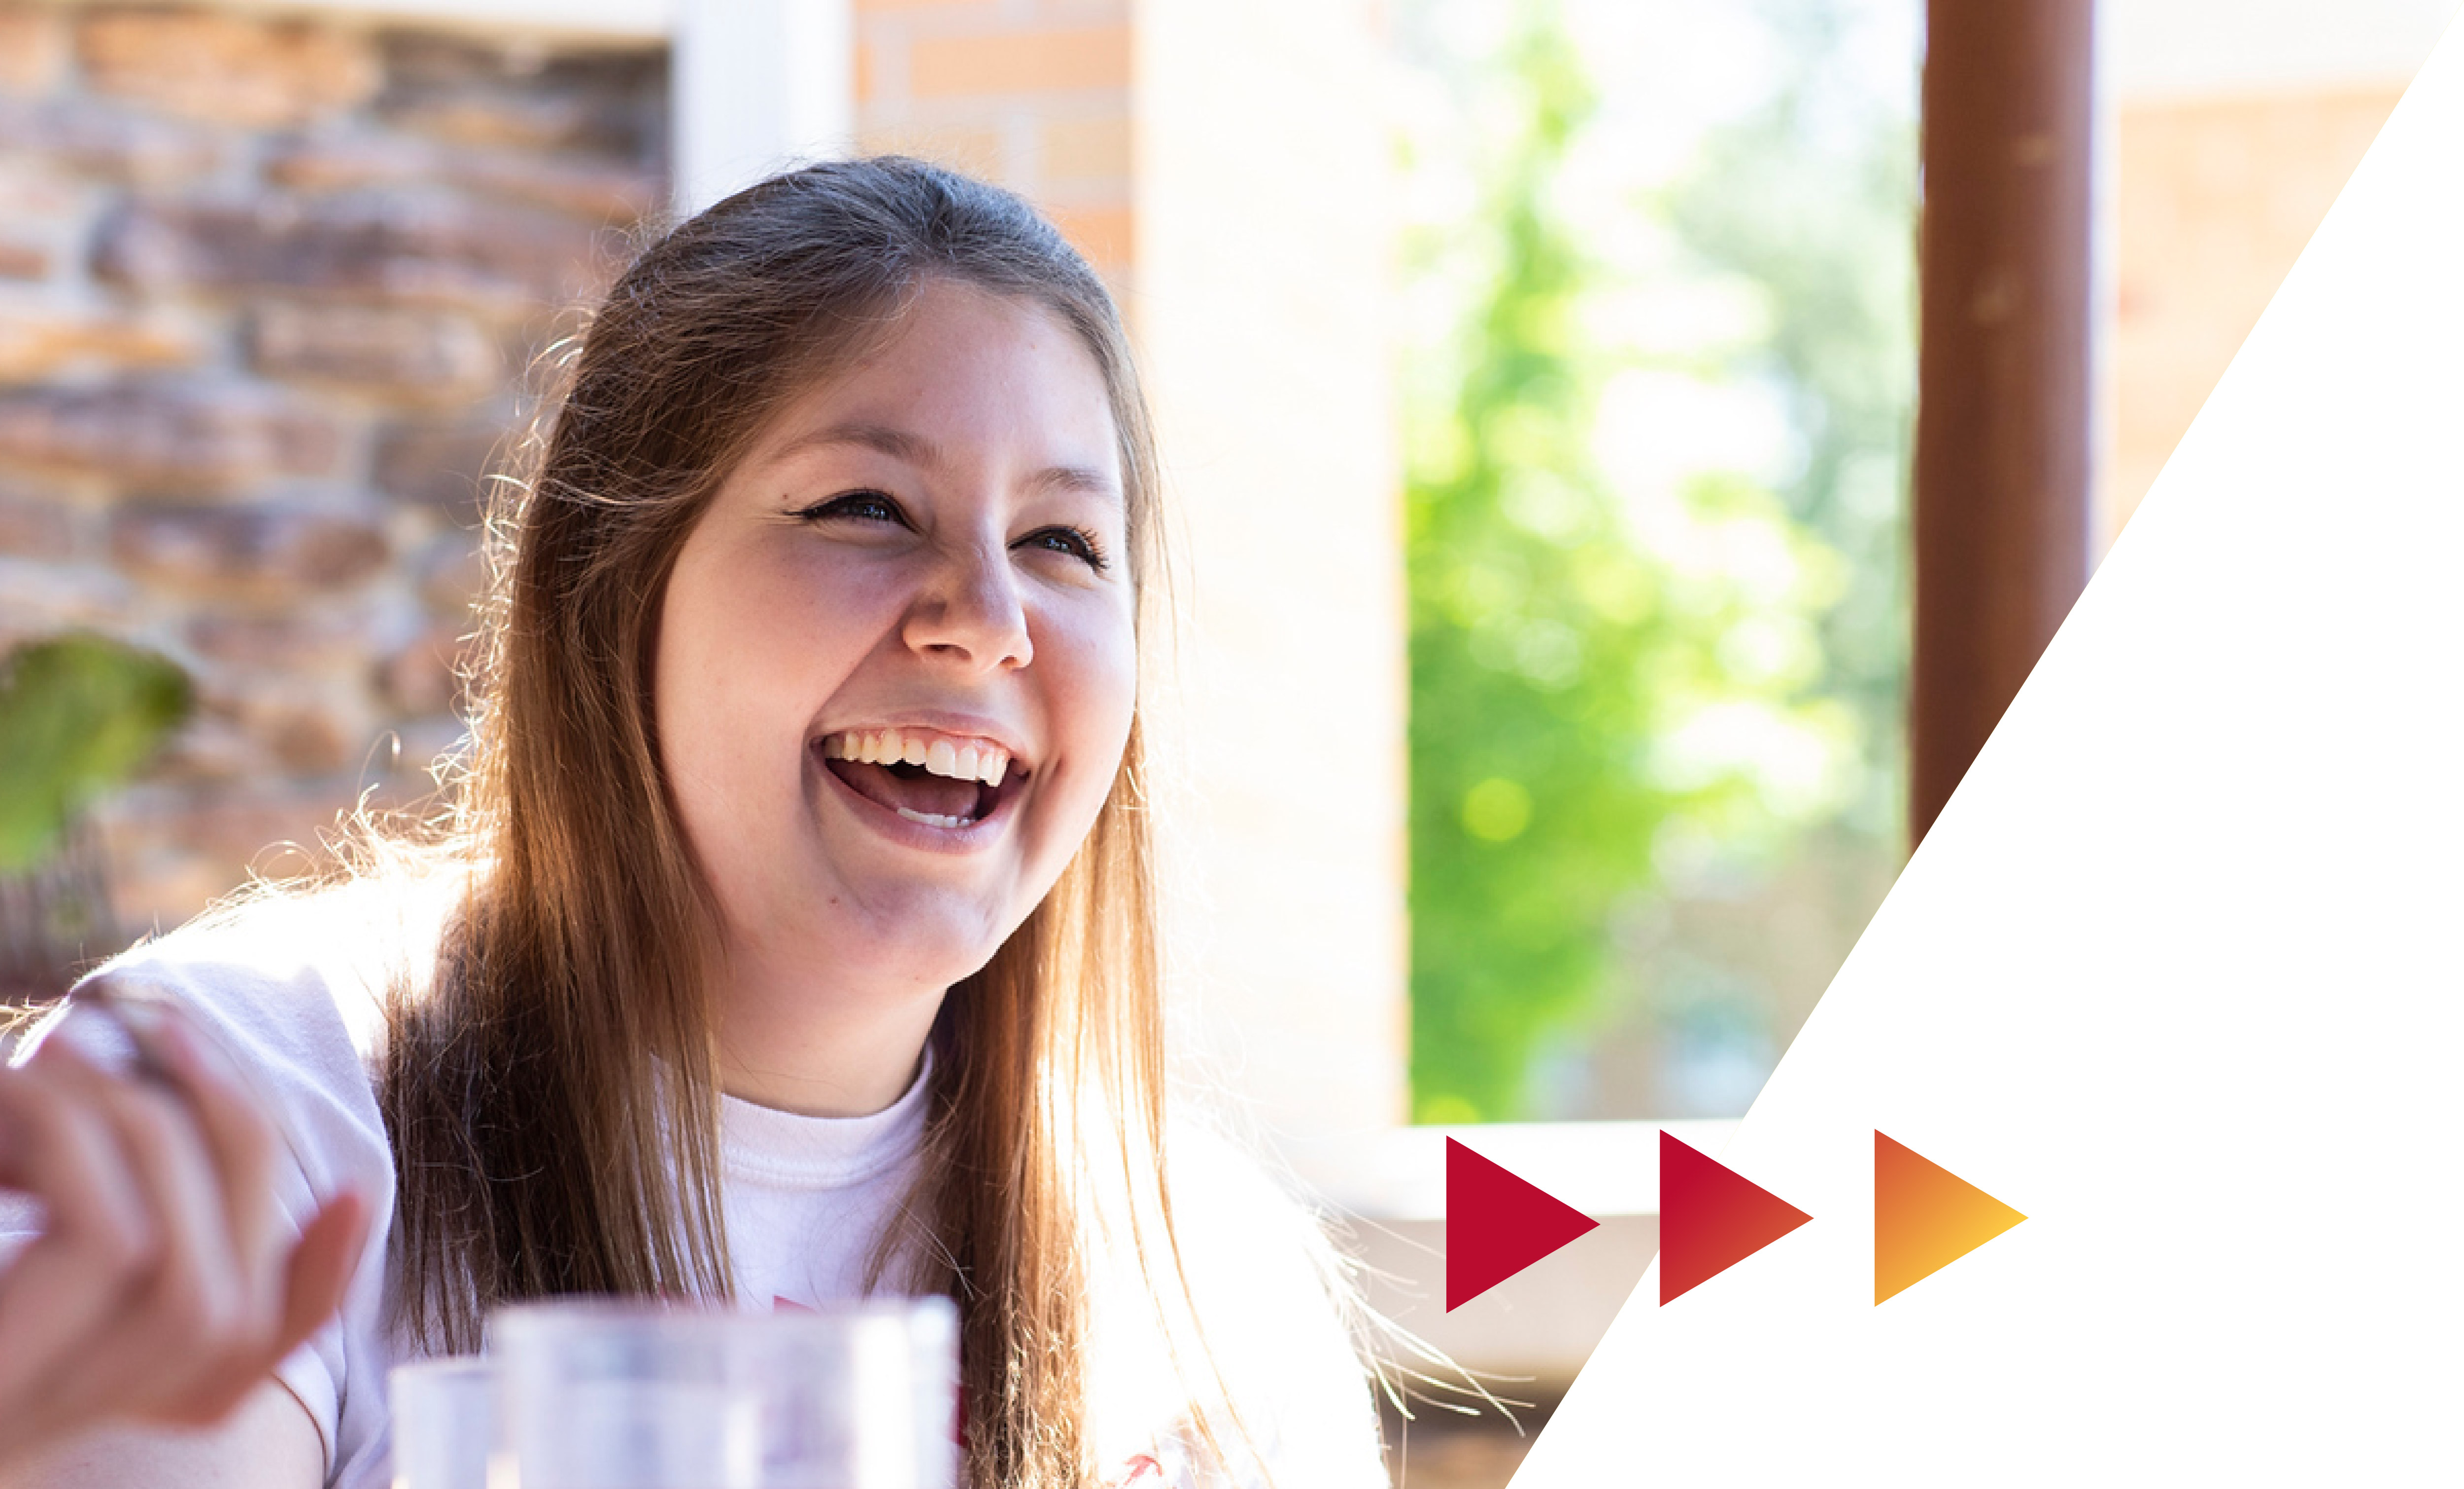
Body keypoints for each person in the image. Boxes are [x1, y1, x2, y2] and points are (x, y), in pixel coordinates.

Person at [0, 158, 1390, 1487]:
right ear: (615, 594)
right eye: (866, 508)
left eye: (1061, 544)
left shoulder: (1207, 1289)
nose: (987, 619)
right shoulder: (247, 1105)